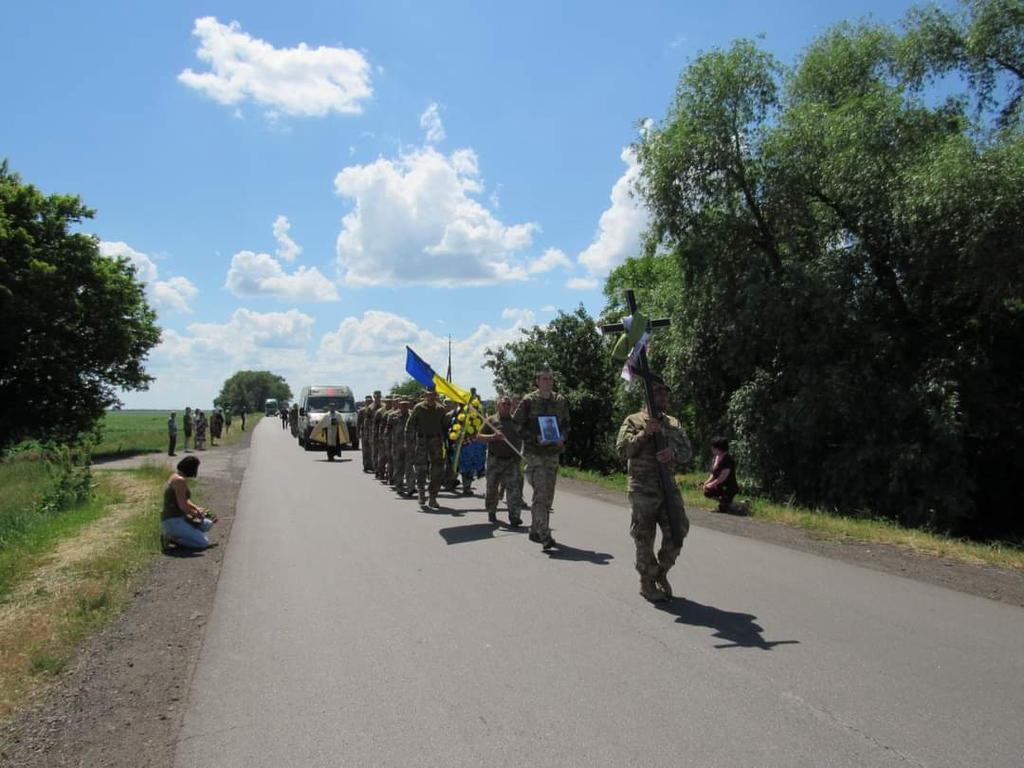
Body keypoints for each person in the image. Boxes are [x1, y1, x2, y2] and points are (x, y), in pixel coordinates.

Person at [616, 377, 692, 602]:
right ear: (648, 395)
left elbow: (688, 452)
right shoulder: (633, 420)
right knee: (644, 536)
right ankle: (647, 583)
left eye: (665, 393)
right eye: (658, 392)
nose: (663, 396)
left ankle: (660, 572)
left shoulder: (673, 423)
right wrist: (644, 433)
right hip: (642, 488)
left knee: (678, 531)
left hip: (667, 487)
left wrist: (673, 454)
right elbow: (622, 450)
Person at [512, 366, 570, 549]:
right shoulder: (529, 401)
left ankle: (535, 530)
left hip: (552, 454)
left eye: (550, 378)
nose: (548, 382)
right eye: (544, 379)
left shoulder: (560, 401)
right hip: (534, 454)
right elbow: (516, 424)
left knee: (547, 495)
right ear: (537, 381)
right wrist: (533, 438)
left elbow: (567, 424)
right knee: (541, 493)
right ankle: (545, 535)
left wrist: (562, 437)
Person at [479, 396, 524, 525]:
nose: (506, 406)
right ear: (498, 405)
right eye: (504, 404)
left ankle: (514, 516)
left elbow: (524, 436)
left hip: (512, 461)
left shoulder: (516, 422)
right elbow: (479, 437)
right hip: (495, 460)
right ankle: (491, 511)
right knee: (492, 488)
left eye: (508, 404)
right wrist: (492, 437)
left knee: (514, 489)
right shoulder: (491, 420)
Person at [161, 455, 216, 550]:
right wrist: (197, 514)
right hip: (174, 520)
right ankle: (172, 538)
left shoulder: (175, 476)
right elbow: (183, 506)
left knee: (208, 523)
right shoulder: (179, 481)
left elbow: (185, 499)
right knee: (203, 543)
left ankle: (189, 534)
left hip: (177, 518)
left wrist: (197, 508)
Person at [407, 388, 447, 507]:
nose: (431, 397)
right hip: (421, 441)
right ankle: (421, 493)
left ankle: (433, 497)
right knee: (421, 469)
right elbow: (410, 426)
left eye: (433, 395)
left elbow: (445, 427)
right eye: (429, 395)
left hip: (436, 442)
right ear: (425, 395)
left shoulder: (440, 409)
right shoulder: (418, 408)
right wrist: (409, 442)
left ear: (436, 396)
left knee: (437, 470)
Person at [703, 437, 741, 514]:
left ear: (719, 448)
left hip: (728, 487)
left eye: (713, 447)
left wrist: (711, 484)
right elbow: (713, 474)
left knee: (725, 509)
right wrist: (706, 483)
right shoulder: (716, 458)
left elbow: (723, 477)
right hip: (719, 486)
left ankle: (735, 504)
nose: (711, 449)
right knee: (707, 491)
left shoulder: (728, 459)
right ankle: (724, 502)